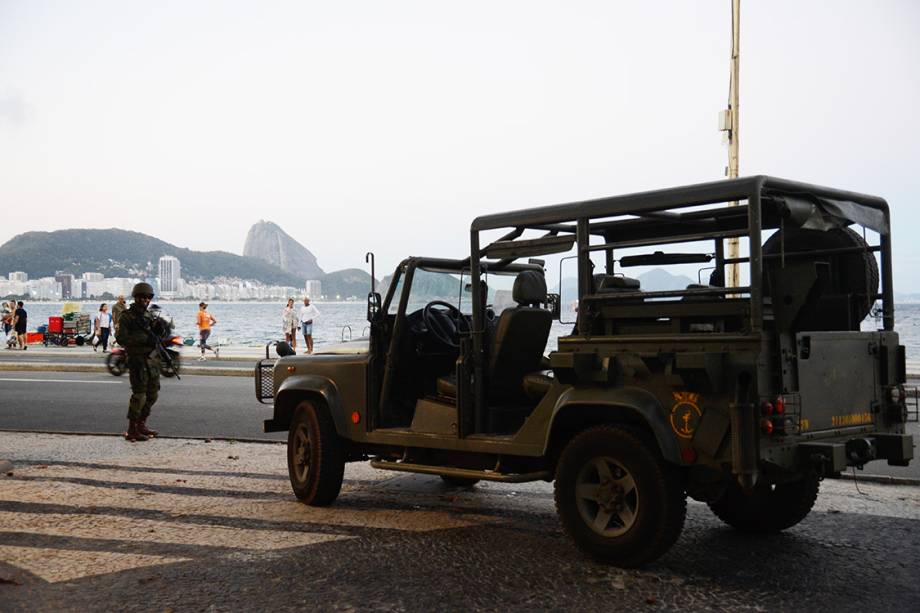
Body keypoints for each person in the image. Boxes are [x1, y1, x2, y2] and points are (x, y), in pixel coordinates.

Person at [115, 283, 160, 442]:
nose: (146, 300)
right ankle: (132, 429)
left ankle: (141, 424)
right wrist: (143, 339)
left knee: (152, 394)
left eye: (148, 298)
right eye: (143, 297)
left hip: (151, 360)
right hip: (137, 361)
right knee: (139, 395)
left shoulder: (149, 316)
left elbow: (156, 337)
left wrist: (160, 332)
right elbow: (121, 338)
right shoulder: (126, 316)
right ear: (136, 298)